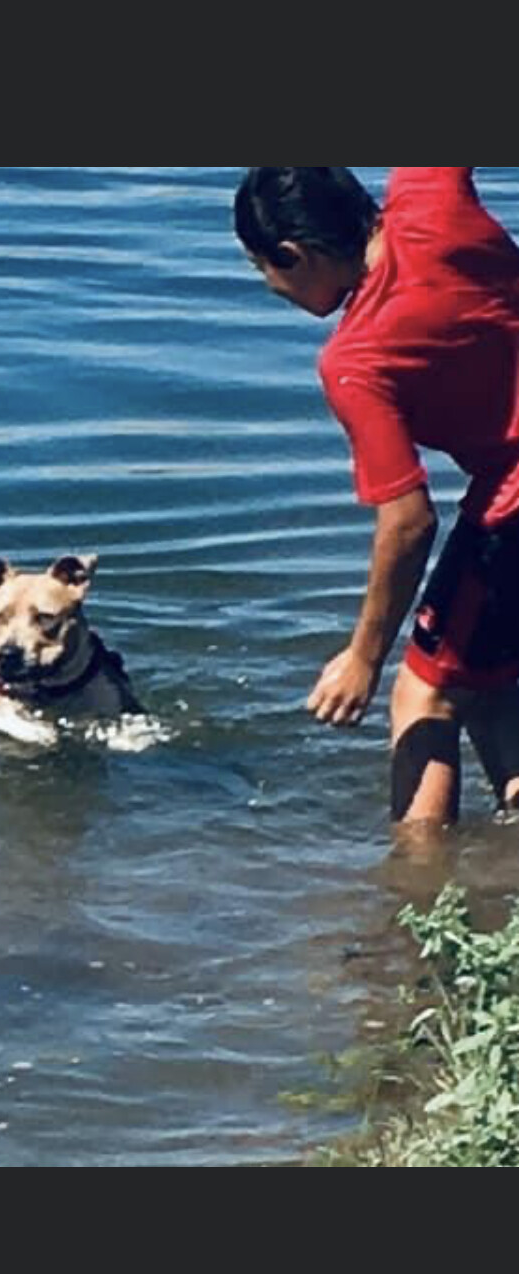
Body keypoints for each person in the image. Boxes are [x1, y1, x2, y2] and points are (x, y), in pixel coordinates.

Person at [234, 167, 519, 827]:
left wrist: (363, 657)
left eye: (262, 268)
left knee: (424, 697)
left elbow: (409, 521)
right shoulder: (429, 197)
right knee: (484, 682)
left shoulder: (356, 360)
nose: (269, 286)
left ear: (293, 255)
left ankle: (415, 887)